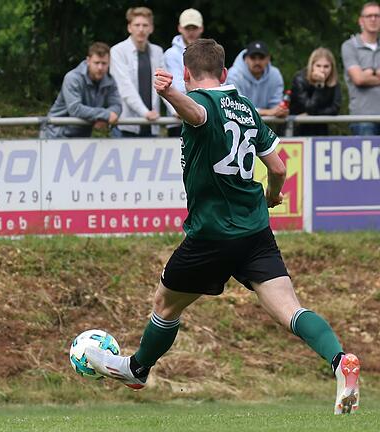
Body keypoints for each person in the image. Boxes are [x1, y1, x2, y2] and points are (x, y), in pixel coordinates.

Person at [85, 39, 360, 416]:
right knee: (290, 310)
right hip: (254, 232)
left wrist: (169, 94)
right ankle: (340, 360)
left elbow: (196, 113)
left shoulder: (204, 104)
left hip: (212, 234)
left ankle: (136, 370)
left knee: (165, 305)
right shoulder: (246, 108)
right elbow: (278, 168)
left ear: (186, 73)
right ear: (226, 72)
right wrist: (272, 195)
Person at [40, 42, 121, 139]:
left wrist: (106, 117)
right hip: (55, 135)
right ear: (88, 61)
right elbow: (75, 109)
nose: (100, 67)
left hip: (81, 138)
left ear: (109, 63)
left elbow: (117, 105)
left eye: (104, 63)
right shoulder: (73, 78)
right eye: (96, 63)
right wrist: (105, 115)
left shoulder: (110, 80)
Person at [110, 6, 163, 137]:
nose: (141, 29)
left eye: (145, 25)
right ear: (129, 27)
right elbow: (125, 87)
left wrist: (176, 111)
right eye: (137, 25)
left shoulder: (158, 51)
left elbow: (164, 84)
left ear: (151, 28)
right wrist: (145, 112)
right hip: (125, 125)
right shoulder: (117, 51)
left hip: (151, 126)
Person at [163, 8, 204, 137]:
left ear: (201, 28)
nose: (191, 32)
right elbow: (177, 86)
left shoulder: (209, 52)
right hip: (178, 120)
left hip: (205, 116)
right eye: (188, 28)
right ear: (180, 28)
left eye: (194, 28)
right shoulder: (170, 54)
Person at [341, 1, 380, 135]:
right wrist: (377, 72)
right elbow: (358, 79)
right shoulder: (349, 46)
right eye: (369, 16)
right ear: (361, 21)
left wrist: (369, 73)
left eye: (377, 15)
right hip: (363, 118)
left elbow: (364, 77)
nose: (373, 19)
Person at [226, 41, 288, 118]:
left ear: (268, 58)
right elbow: (237, 107)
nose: (257, 62)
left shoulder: (275, 75)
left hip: (265, 125)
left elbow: (275, 106)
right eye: (253, 58)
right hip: (238, 123)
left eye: (261, 58)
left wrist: (280, 111)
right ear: (246, 58)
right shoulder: (234, 75)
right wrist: (268, 112)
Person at [290, 47, 341, 136]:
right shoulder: (300, 79)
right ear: (312, 66)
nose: (322, 70)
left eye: (326, 66)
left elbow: (334, 109)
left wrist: (313, 114)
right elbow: (309, 107)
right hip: (297, 130)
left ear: (332, 68)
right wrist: (319, 86)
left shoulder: (333, 82)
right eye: (318, 66)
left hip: (321, 129)